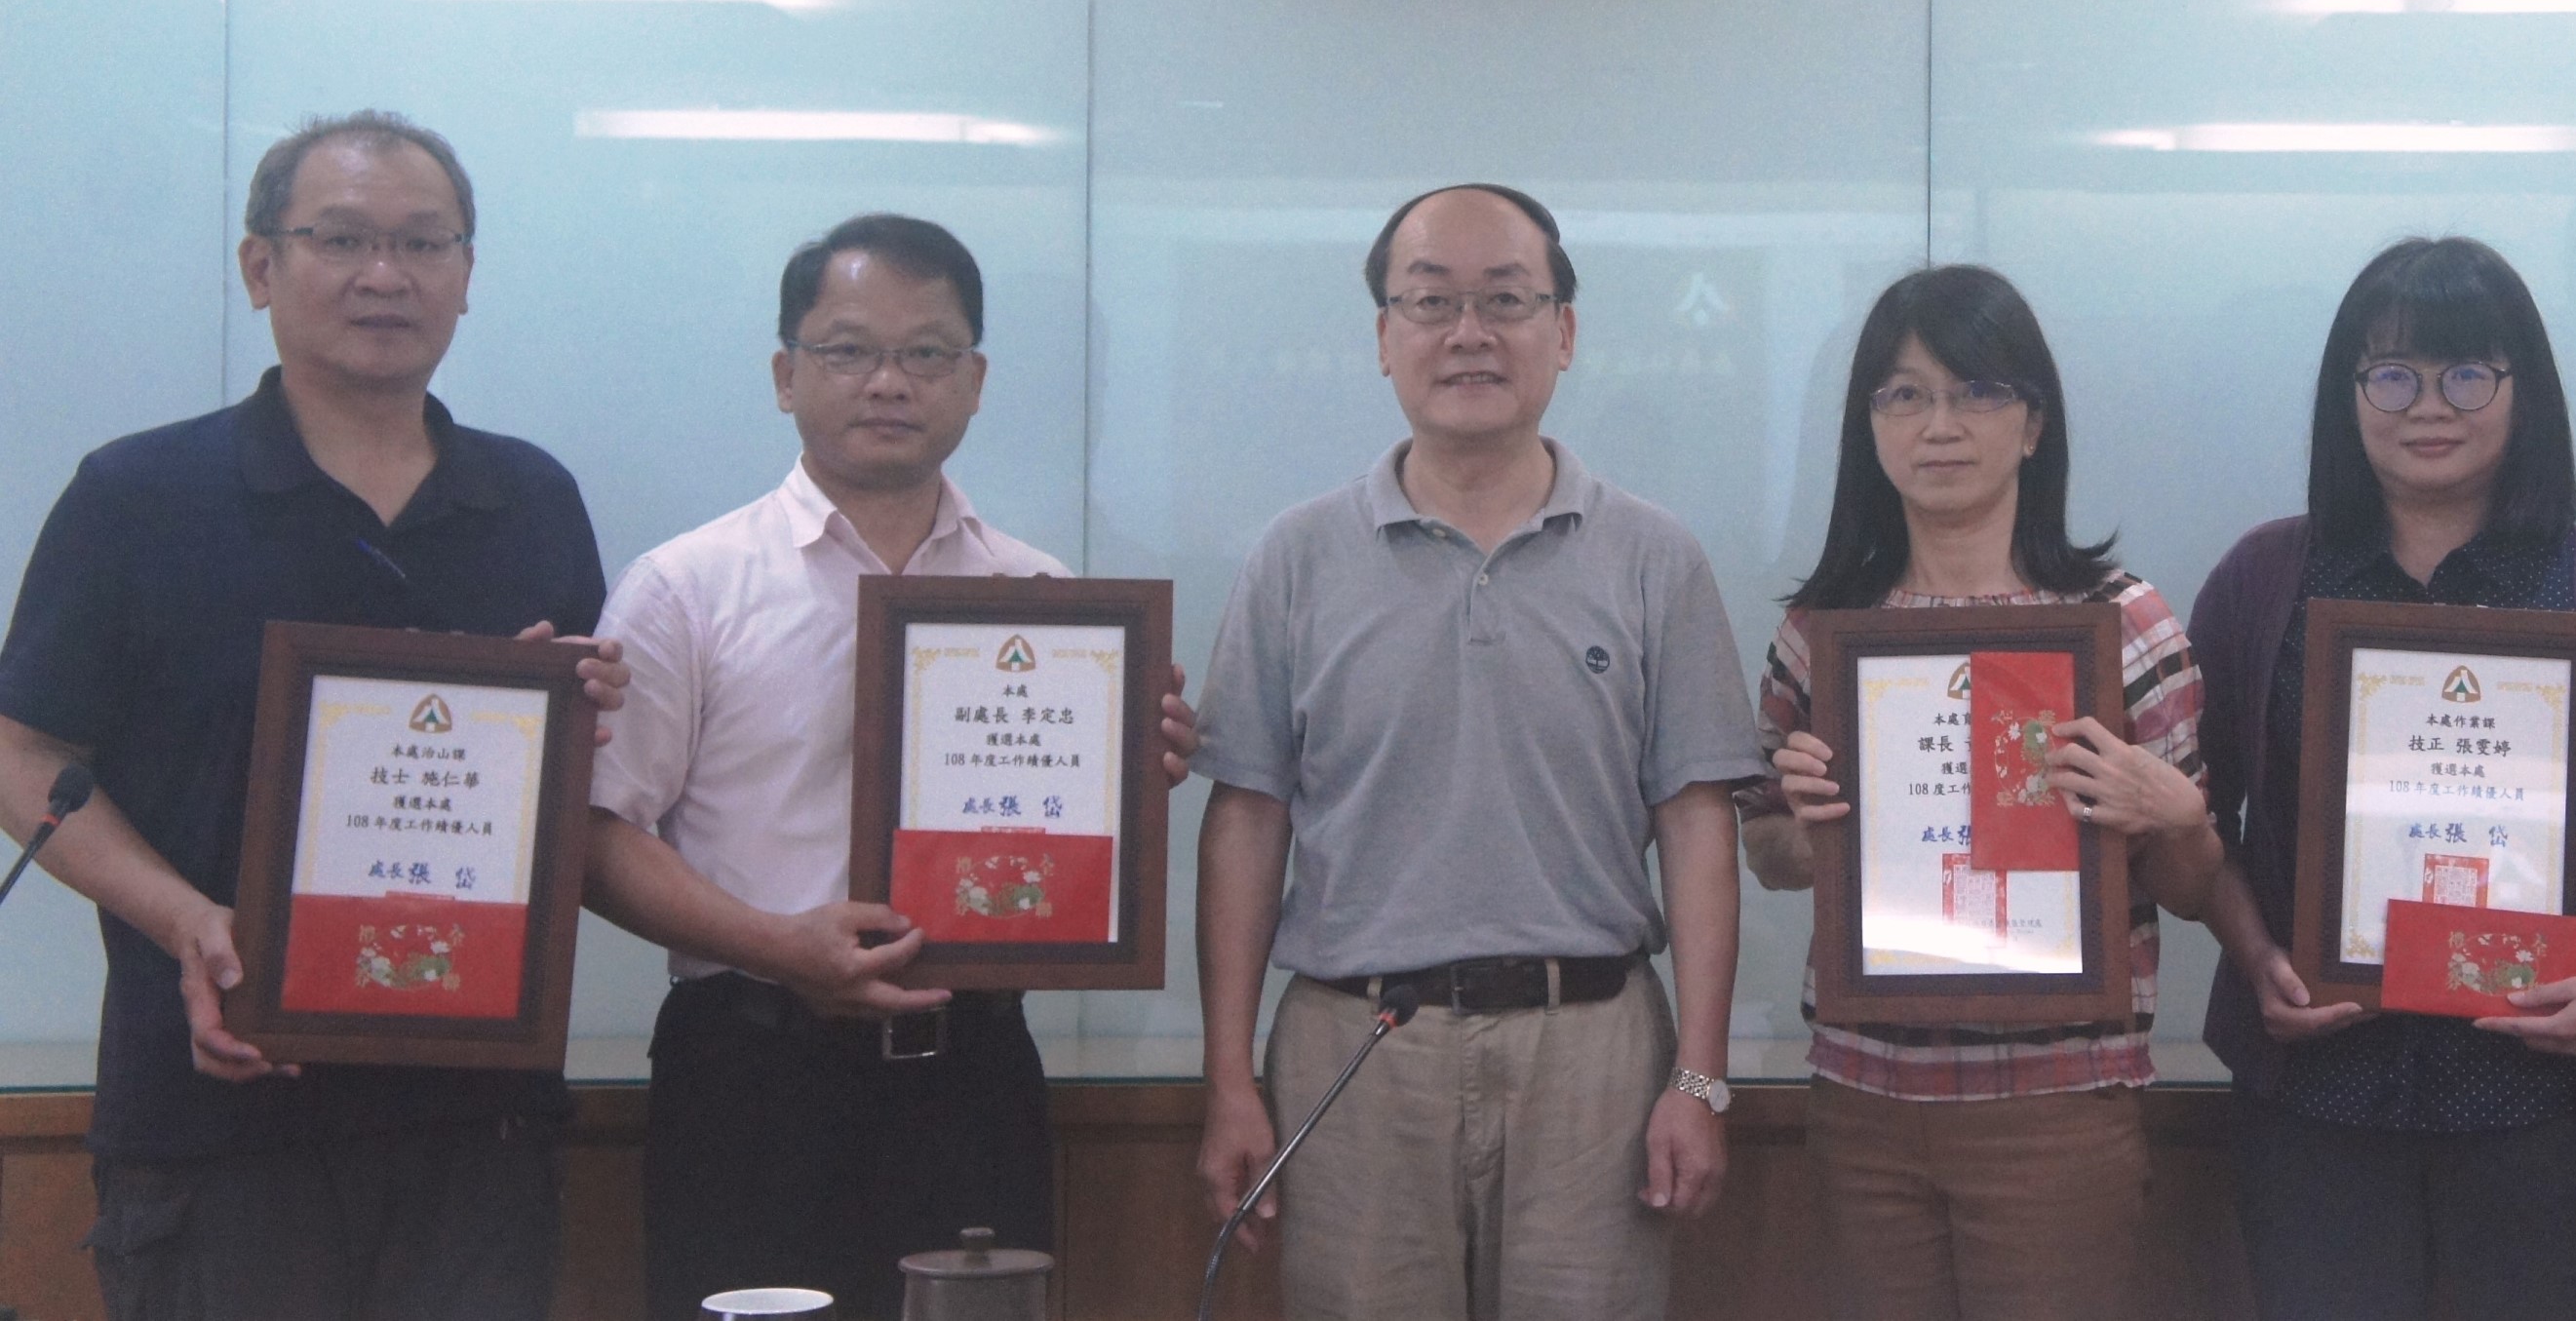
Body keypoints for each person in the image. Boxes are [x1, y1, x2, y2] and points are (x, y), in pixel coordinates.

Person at [0, 112, 629, 1321]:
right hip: (217, 1117)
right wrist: (185, 918)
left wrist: (578, 708)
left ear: (466, 275)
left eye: (423, 241)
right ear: (260, 266)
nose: (385, 273)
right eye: (340, 238)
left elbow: (569, 788)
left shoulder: (531, 497)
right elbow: (25, 753)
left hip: (476, 1121)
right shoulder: (135, 495)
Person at [582, 214, 1199, 1321]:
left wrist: (1120, 791)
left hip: (974, 1068)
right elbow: (596, 835)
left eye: (927, 352)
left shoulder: (1040, 596)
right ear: (786, 374)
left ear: (974, 381)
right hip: (752, 1072)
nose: (889, 381)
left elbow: (1069, 844)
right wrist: (777, 946)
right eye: (848, 349)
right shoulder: (686, 586)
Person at [1190, 183, 1753, 1321]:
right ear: (1383, 336)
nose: (1469, 333)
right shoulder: (1295, 558)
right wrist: (1228, 1074)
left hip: (1593, 1052)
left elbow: (1698, 823)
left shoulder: (1655, 556)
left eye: (1506, 299)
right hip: (1354, 1047)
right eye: (1431, 301)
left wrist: (1699, 1075)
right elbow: (1246, 818)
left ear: (1566, 330)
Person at [2190, 236, 2576, 1321]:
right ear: (2348, 393)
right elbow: (2197, 819)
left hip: (2542, 1106)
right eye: (2391, 373)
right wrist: (2256, 958)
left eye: (2467, 372)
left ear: (2525, 391)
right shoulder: (2263, 579)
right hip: (2317, 1099)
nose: (2428, 405)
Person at [1739, 264, 2220, 1321]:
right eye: (1904, 394)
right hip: (1863, 1095)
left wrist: (2176, 816)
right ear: (1868, 425)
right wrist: (1808, 829)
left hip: (2059, 1102)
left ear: (2034, 422)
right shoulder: (1824, 632)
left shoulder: (2124, 625)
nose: (1940, 424)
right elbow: (1768, 853)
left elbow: (2192, 886)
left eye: (1977, 391)